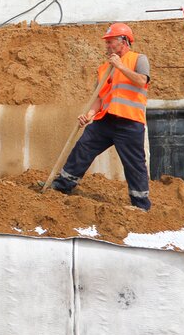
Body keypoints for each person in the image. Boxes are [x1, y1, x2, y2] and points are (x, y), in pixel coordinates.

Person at [51, 22, 152, 210]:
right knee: (84, 146)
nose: (107, 46)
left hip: (130, 122)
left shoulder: (139, 59)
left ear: (124, 41)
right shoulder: (104, 68)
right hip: (106, 120)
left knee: (134, 163)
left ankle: (140, 205)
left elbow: (141, 81)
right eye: (106, 43)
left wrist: (120, 66)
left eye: (110, 42)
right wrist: (89, 114)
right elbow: (100, 97)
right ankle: (63, 185)